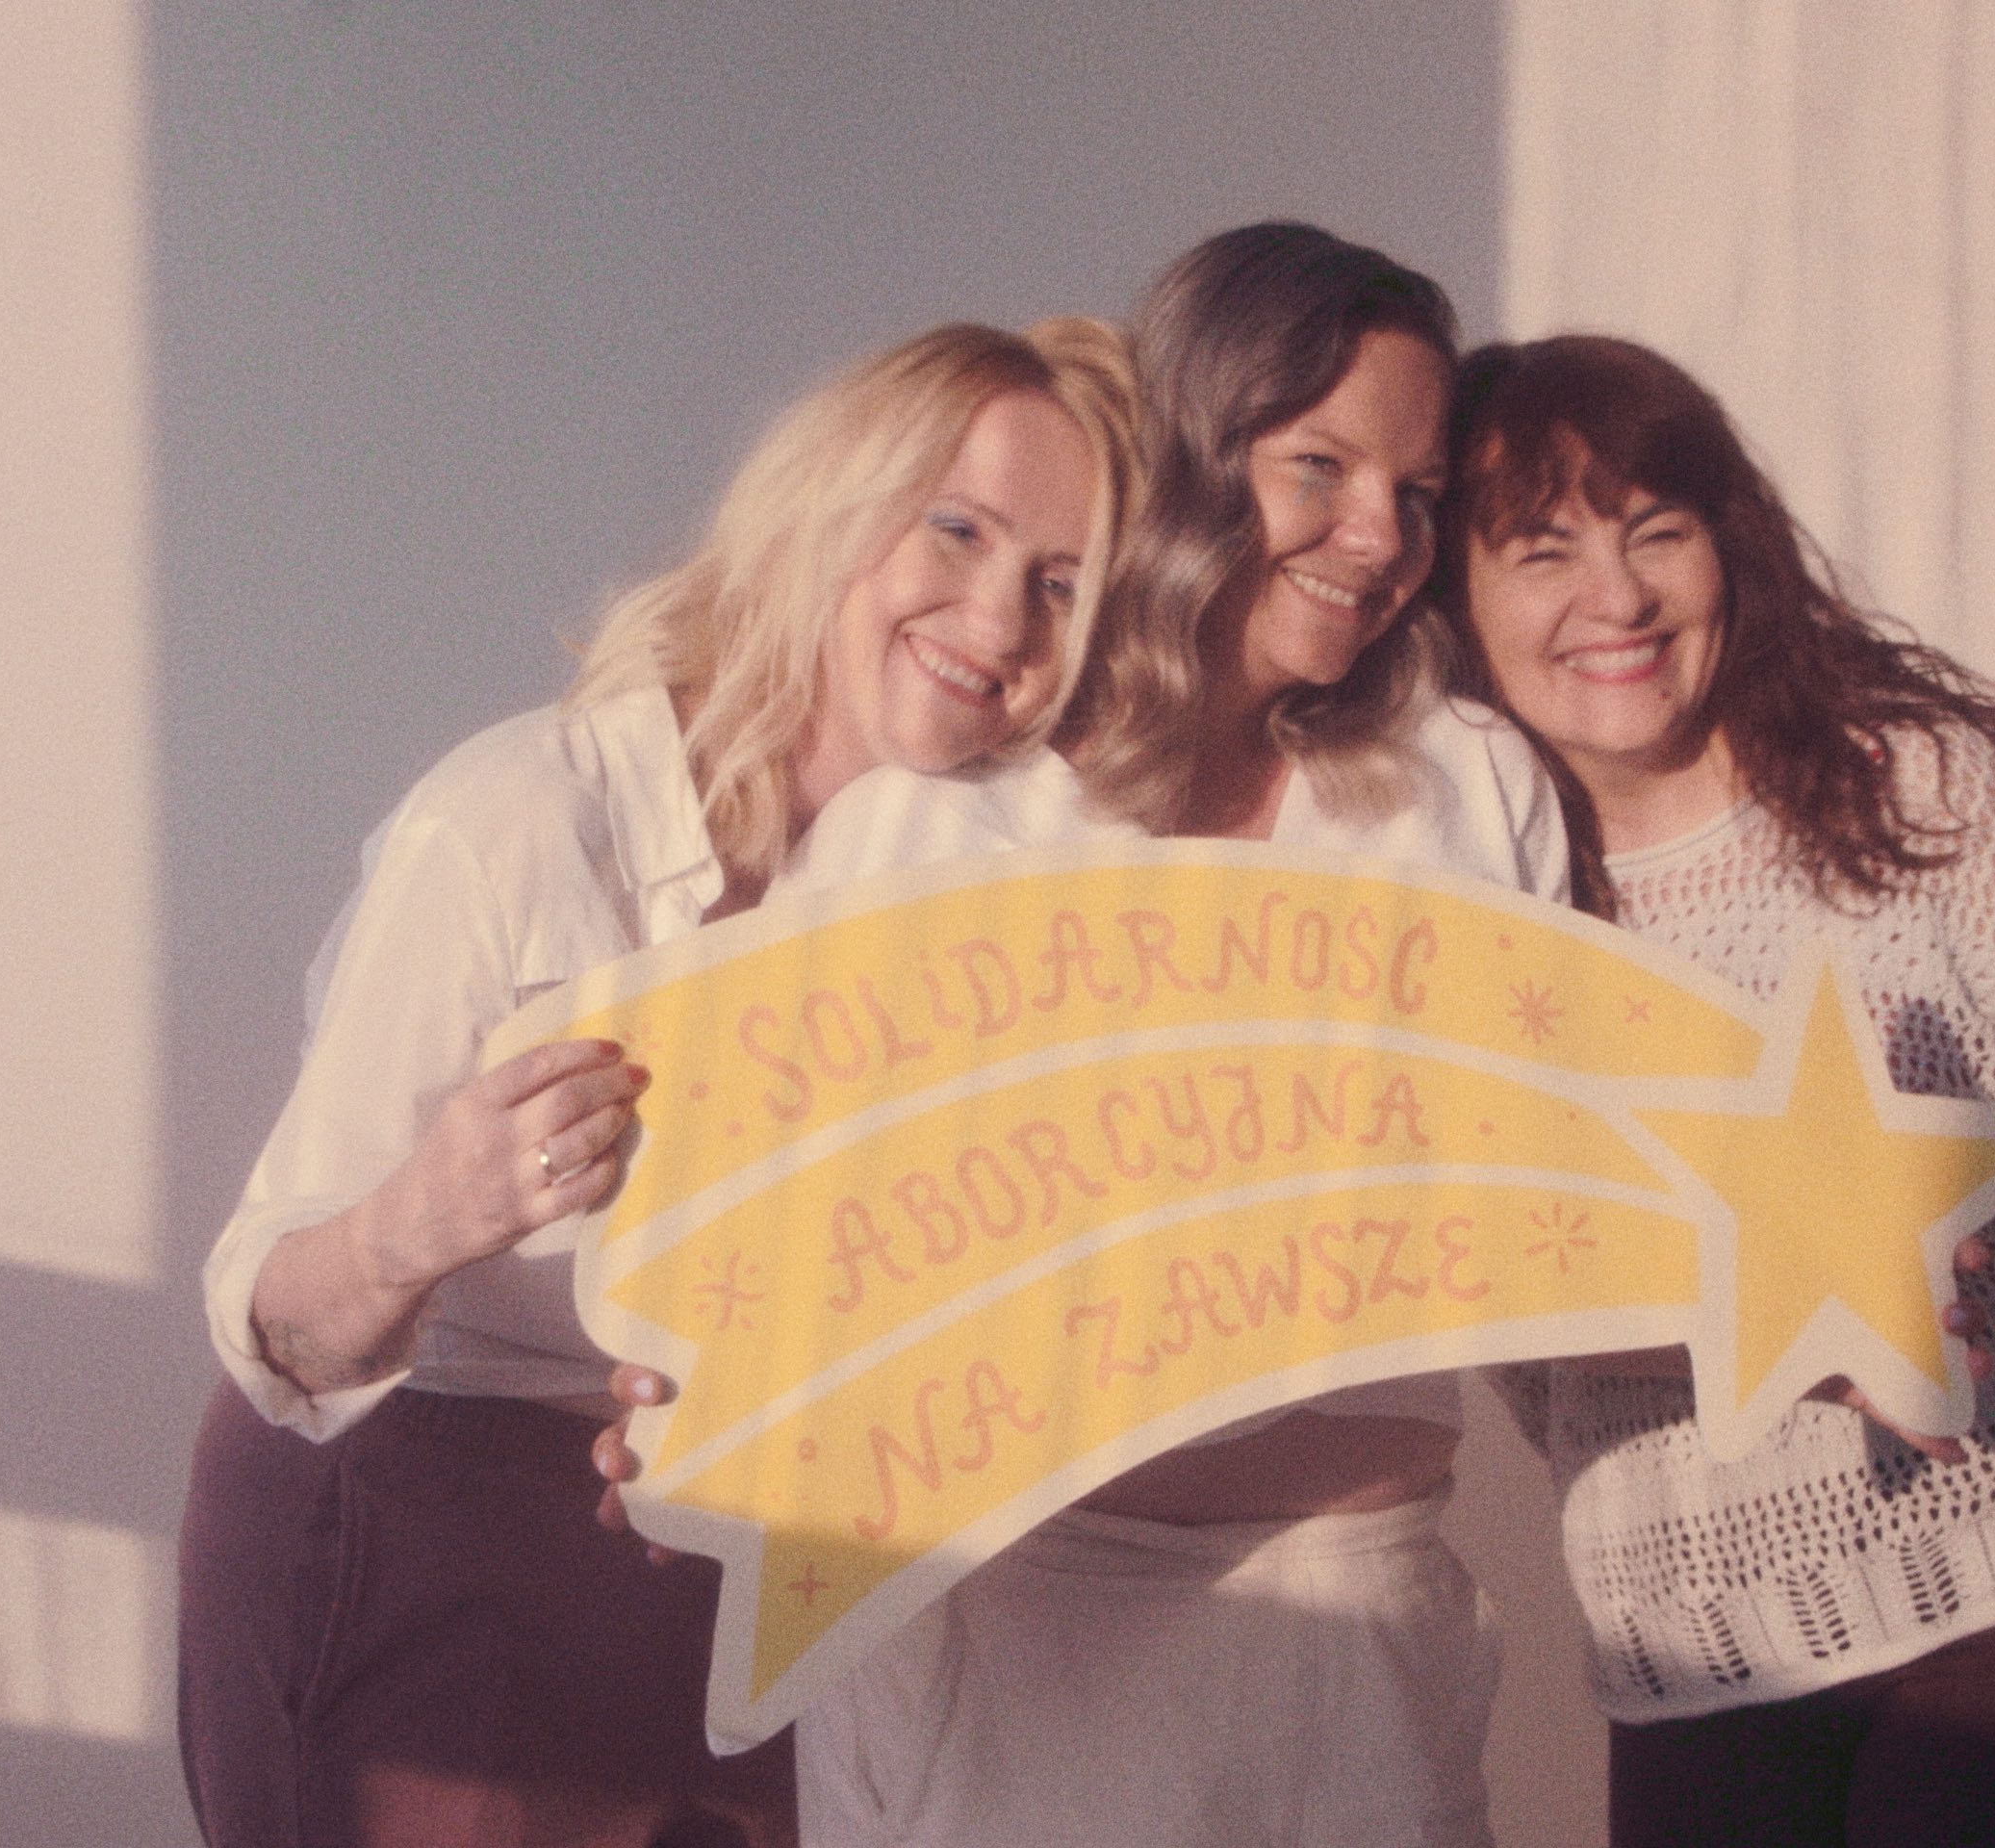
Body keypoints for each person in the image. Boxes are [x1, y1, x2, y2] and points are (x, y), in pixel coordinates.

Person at [607, 222, 1563, 1848]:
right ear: (1193, 450)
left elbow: (1567, 1191)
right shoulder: (951, 809)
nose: (1376, 536)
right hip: (997, 1620)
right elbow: (787, 1196)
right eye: (1316, 465)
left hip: (1355, 1630)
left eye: (1416, 495)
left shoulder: (1465, 780)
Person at [176, 317, 1138, 1848]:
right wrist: (426, 1216)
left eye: (1062, 586)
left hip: (712, 1555)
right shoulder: (517, 825)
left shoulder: (956, 895)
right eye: (957, 530)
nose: (1000, 616)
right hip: (409, 1533)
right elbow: (268, 1321)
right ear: (833, 514)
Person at [1427, 333, 1995, 1848]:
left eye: (1658, 530)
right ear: (1455, 603)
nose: (1617, 597)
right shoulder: (1478, 922)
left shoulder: (1930, 797)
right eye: (1545, 550)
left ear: (1728, 549)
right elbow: (1498, 1302)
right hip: (1694, 1641)